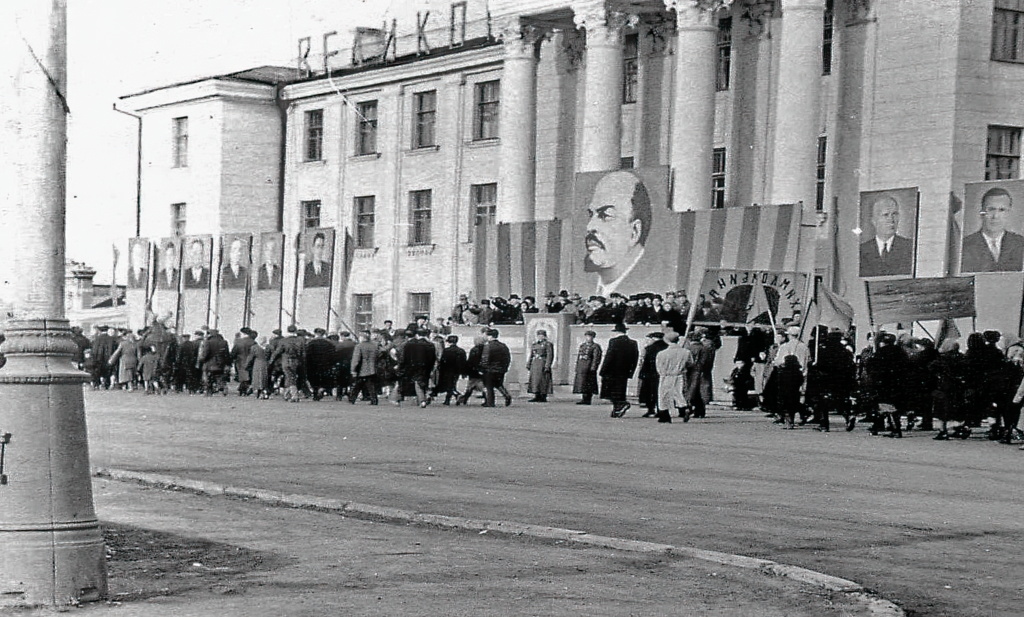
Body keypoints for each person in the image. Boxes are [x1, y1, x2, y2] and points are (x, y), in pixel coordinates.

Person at [583, 170, 652, 296]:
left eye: (605, 215)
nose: (590, 226)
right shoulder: (591, 287)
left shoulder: (648, 281)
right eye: (591, 215)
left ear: (634, 232)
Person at [961, 187, 1024, 272]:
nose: (995, 216)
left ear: (1008, 213)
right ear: (981, 213)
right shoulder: (964, 246)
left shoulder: (1020, 243)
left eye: (1002, 210)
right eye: (991, 209)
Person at [859, 195, 914, 277]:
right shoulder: (862, 250)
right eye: (885, 215)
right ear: (874, 220)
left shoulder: (910, 247)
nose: (891, 220)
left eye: (894, 214)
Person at [600, 322, 639, 418]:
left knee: (610, 391)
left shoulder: (613, 341)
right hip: (624, 371)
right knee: (620, 390)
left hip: (612, 370)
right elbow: (635, 358)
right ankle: (617, 410)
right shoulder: (633, 343)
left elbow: (609, 356)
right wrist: (631, 371)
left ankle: (620, 404)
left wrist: (603, 370)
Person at [655, 330, 694, 423]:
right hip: (680, 375)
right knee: (679, 393)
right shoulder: (686, 352)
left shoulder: (662, 353)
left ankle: (664, 415)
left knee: (663, 396)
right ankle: (684, 408)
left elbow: (659, 367)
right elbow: (691, 363)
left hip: (666, 375)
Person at [401, 329, 437, 407]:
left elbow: (407, 357)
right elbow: (433, 358)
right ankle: (424, 396)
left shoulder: (414, 344)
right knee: (424, 382)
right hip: (427, 367)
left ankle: (422, 400)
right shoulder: (430, 344)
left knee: (418, 383)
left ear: (417, 335)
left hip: (415, 366)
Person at [637, 331, 668, 417]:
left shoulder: (650, 348)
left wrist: (642, 374)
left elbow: (646, 363)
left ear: (653, 338)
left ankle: (651, 410)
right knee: (661, 393)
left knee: (650, 392)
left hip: (651, 373)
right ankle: (661, 409)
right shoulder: (667, 347)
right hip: (664, 373)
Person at [480, 328, 513, 407]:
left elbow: (485, 358)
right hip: (501, 369)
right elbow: (507, 358)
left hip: (490, 369)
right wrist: (505, 367)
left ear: (490, 336)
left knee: (489, 386)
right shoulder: (503, 346)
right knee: (499, 384)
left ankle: (490, 402)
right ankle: (506, 395)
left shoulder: (488, 346)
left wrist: (482, 368)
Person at [348, 331, 379, 405]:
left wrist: (353, 369)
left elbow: (356, 359)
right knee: (371, 385)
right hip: (372, 368)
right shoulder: (374, 346)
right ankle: (374, 399)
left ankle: (352, 399)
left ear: (362, 338)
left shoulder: (359, 346)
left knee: (357, 385)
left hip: (362, 368)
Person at [572, 330, 603, 405]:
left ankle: (588, 398)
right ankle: (583, 397)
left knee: (589, 383)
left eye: (590, 336)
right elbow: (579, 356)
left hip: (589, 367)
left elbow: (596, 358)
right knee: (582, 383)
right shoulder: (582, 346)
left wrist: (593, 367)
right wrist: (577, 366)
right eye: (587, 336)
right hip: (582, 366)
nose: (588, 338)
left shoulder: (595, 346)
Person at [306, 328, 337, 401]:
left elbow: (307, 354)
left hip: (313, 364)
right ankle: (322, 388)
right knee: (324, 378)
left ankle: (316, 391)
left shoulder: (311, 343)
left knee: (313, 378)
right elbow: (333, 354)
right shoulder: (329, 343)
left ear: (315, 333)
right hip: (326, 364)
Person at [197, 329, 230, 395]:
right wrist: (227, 363)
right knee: (220, 376)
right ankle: (222, 387)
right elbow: (227, 354)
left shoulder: (208, 342)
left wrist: (201, 360)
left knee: (208, 377)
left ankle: (209, 390)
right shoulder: (224, 342)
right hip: (221, 363)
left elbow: (206, 353)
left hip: (210, 363)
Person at [526, 329, 555, 403]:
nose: (539, 337)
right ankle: (536, 395)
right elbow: (532, 355)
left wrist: (547, 365)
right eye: (538, 335)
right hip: (535, 363)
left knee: (543, 380)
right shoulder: (535, 344)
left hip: (542, 363)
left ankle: (543, 396)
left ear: (544, 336)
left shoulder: (548, 344)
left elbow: (549, 355)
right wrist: (529, 363)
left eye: (541, 335)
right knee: (535, 380)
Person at [437, 335, 466, 405]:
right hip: (457, 371)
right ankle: (449, 399)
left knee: (449, 385)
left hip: (447, 370)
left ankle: (456, 396)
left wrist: (440, 369)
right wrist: (463, 372)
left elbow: (442, 361)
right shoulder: (461, 351)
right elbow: (464, 362)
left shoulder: (446, 351)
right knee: (452, 384)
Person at [231, 328, 256, 396]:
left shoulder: (239, 342)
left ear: (243, 334)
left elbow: (234, 352)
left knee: (242, 376)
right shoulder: (253, 342)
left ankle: (242, 389)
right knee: (248, 376)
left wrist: (231, 359)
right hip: (250, 361)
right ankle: (244, 389)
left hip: (240, 361)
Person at [247, 334, 271, 399]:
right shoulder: (269, 347)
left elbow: (250, 357)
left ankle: (257, 390)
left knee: (257, 377)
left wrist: (247, 365)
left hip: (257, 363)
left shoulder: (254, 347)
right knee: (264, 377)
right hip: (265, 363)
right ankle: (264, 390)